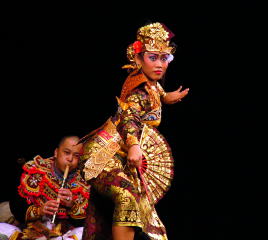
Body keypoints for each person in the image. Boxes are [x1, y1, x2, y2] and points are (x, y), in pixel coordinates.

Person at [80, 22, 189, 240]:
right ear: (137, 58)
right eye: (152, 57)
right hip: (103, 156)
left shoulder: (150, 84)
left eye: (164, 58)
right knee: (127, 197)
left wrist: (168, 97)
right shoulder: (138, 90)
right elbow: (129, 117)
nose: (160, 64)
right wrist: (135, 146)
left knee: (121, 211)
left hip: (120, 155)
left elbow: (158, 93)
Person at [0, 135, 90, 240]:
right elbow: (16, 208)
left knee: (83, 232)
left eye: (76, 156)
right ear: (56, 152)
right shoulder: (36, 170)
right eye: (66, 152)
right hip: (31, 230)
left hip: (62, 235)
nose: (70, 159)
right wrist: (40, 211)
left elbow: (86, 221)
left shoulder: (83, 183)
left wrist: (71, 205)